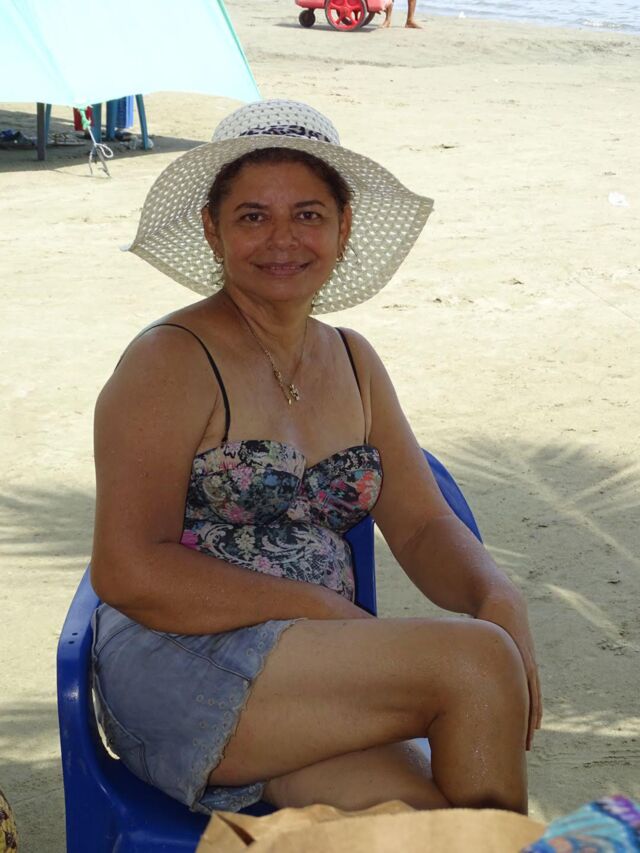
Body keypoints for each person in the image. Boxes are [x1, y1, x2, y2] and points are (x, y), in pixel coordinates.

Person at [90, 99, 541, 817]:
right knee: (478, 662)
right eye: (252, 216)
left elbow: (423, 525)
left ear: (343, 226)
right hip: (183, 660)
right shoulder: (168, 360)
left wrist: (497, 594)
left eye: (307, 214)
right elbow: (128, 568)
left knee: (439, 825)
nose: (282, 240)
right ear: (212, 229)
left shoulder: (354, 361)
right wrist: (316, 607)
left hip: (316, 673)